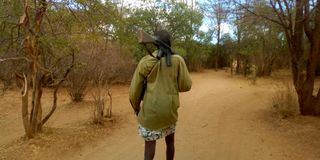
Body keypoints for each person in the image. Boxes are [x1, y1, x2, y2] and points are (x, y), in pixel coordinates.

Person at [129, 30, 192, 160]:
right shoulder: (178, 60)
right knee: (170, 143)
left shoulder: (145, 61)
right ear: (169, 42)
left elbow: (134, 91)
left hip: (150, 113)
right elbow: (186, 85)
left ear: (155, 43)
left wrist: (136, 108)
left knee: (149, 148)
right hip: (170, 111)